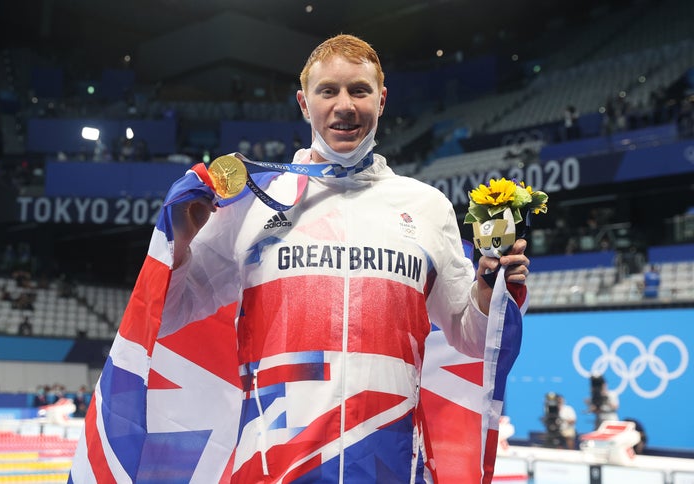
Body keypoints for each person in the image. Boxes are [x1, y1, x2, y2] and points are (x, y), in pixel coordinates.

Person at [70, 34, 530, 483]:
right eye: (327, 91)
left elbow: (469, 338)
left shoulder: (427, 206)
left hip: (389, 461)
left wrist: (489, 290)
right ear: (304, 103)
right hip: (273, 466)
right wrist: (182, 244)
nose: (344, 106)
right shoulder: (254, 201)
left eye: (359, 90)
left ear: (382, 99)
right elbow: (168, 316)